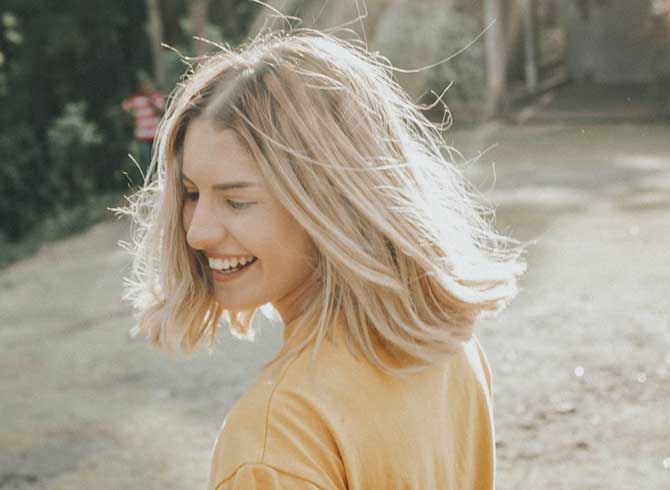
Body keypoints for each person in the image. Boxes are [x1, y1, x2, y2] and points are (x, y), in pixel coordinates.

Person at [121, 29, 525, 490]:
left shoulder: (272, 447)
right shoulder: (445, 341)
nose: (197, 232)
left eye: (237, 201)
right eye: (192, 194)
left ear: (330, 202)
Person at [121, 76, 165, 180]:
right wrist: (130, 117)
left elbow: (161, 110)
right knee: (145, 162)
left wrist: (151, 100)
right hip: (142, 135)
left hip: (156, 135)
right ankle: (147, 183)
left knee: (158, 161)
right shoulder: (136, 99)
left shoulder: (157, 98)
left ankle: (159, 181)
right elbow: (124, 107)